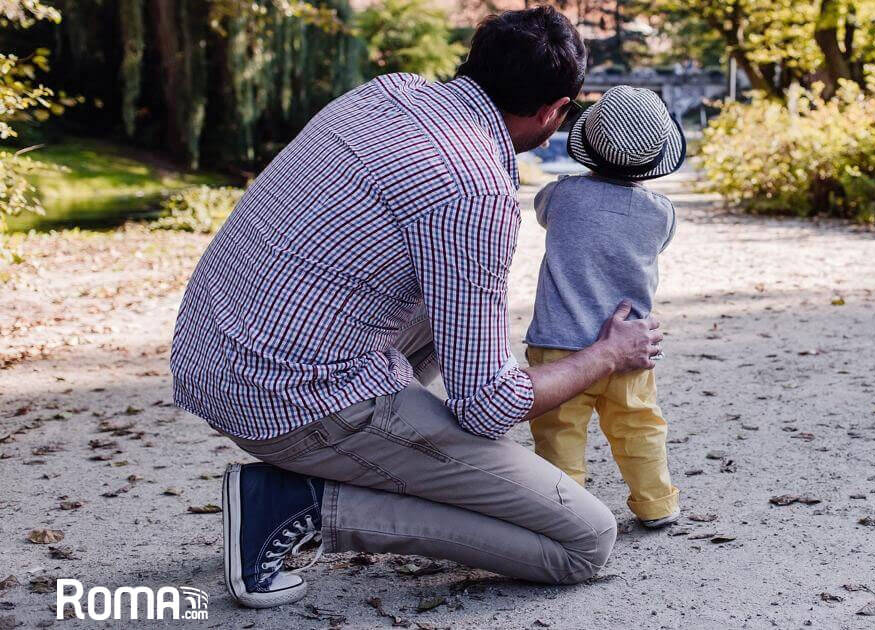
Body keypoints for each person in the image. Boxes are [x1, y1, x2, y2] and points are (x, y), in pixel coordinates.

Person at [169, 7, 663, 609]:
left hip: (210, 353)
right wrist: (608, 353)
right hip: (290, 398)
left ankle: (387, 453)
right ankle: (298, 507)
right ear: (555, 111)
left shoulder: (385, 92)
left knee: (451, 301)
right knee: (584, 539)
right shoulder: (475, 189)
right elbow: (488, 405)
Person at [524, 86, 685, 529]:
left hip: (559, 348)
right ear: (655, 159)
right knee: (640, 427)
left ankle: (566, 514)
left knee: (559, 435)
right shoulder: (661, 214)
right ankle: (656, 503)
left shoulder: (561, 196)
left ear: (587, 147)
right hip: (631, 347)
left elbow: (541, 214)